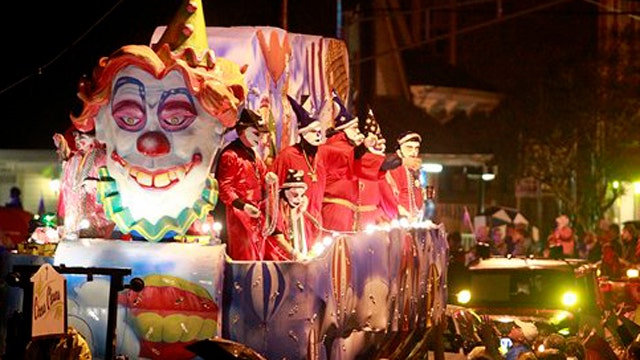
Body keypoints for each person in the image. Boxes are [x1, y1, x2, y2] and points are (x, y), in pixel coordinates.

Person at [216, 108, 276, 260]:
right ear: (242, 131)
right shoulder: (230, 156)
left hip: (256, 215)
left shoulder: (253, 155)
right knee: (244, 254)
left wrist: (268, 178)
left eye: (261, 134)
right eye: (256, 133)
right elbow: (224, 188)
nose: (260, 138)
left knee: (258, 254)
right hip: (237, 217)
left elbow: (262, 175)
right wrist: (243, 206)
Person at [270, 95, 326, 247]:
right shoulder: (288, 156)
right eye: (314, 131)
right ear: (302, 133)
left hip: (315, 222)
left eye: (320, 131)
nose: (318, 136)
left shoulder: (319, 158)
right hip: (294, 222)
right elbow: (275, 192)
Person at [386, 131, 425, 222]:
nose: (413, 152)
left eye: (416, 148)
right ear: (399, 150)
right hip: (398, 219)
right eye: (409, 148)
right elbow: (390, 195)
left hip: (415, 219)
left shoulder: (415, 168)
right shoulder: (394, 168)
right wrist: (403, 214)